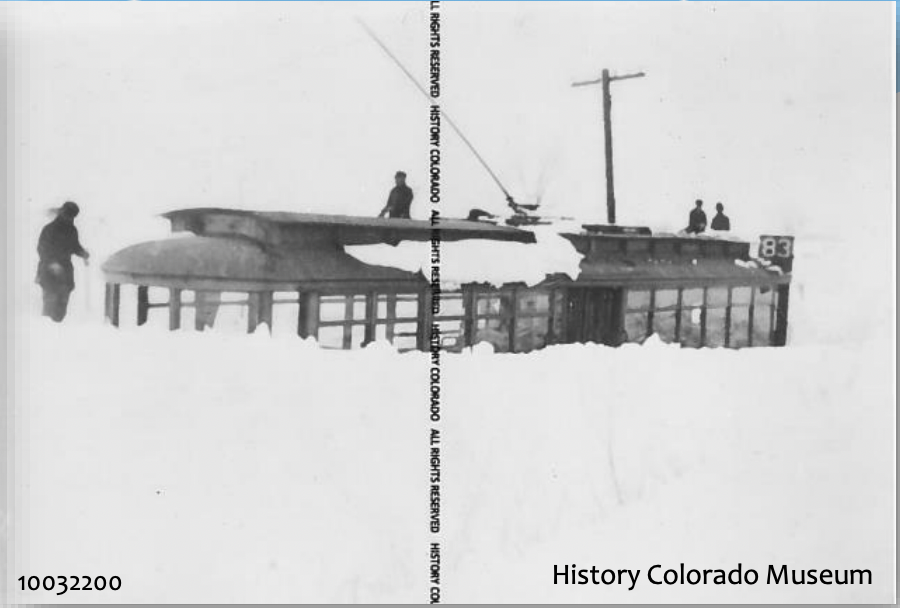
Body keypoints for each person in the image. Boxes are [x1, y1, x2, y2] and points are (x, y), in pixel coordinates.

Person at [36, 201, 89, 322]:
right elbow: (42, 249)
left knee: (62, 306)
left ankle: (59, 331)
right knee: (50, 305)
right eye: (68, 215)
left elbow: (74, 246)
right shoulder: (49, 229)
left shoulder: (72, 230)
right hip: (48, 272)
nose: (70, 218)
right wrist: (52, 263)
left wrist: (83, 253)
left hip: (65, 272)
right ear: (62, 213)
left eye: (72, 216)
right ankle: (48, 331)